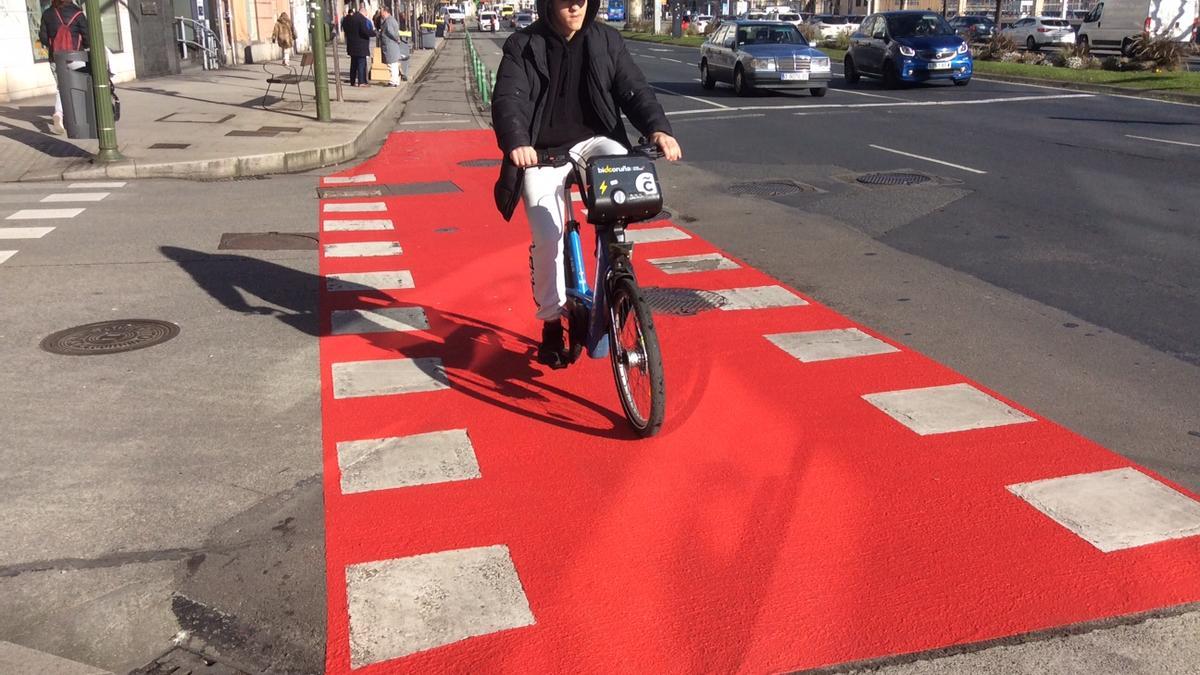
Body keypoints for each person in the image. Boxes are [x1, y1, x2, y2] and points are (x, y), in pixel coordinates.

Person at [491, 0, 681, 367]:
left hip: (595, 139)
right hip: (542, 149)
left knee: (622, 171)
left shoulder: (605, 40)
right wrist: (517, 142)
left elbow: (633, 88)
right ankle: (550, 321)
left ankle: (616, 264)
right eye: (567, 0)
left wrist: (657, 128)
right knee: (547, 234)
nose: (576, 5)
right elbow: (508, 99)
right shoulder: (522, 45)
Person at [38, 0, 89, 136]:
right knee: (77, 87)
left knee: (62, 87)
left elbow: (43, 38)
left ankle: (60, 115)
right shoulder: (77, 13)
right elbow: (88, 38)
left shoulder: (47, 13)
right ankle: (70, 116)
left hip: (55, 57)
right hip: (76, 56)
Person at [342, 3, 376, 87]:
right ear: (364, 13)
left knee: (353, 64)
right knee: (361, 64)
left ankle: (352, 81)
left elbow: (344, 27)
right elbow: (365, 31)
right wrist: (374, 33)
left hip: (351, 45)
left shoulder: (349, 19)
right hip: (361, 45)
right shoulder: (361, 19)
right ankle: (361, 82)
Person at [378, 6, 411, 86]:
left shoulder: (388, 21)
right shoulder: (391, 20)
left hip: (390, 45)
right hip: (392, 45)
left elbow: (390, 31)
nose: (380, 13)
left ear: (385, 12)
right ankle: (395, 81)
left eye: (381, 12)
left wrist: (396, 39)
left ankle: (393, 81)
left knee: (391, 64)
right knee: (394, 64)